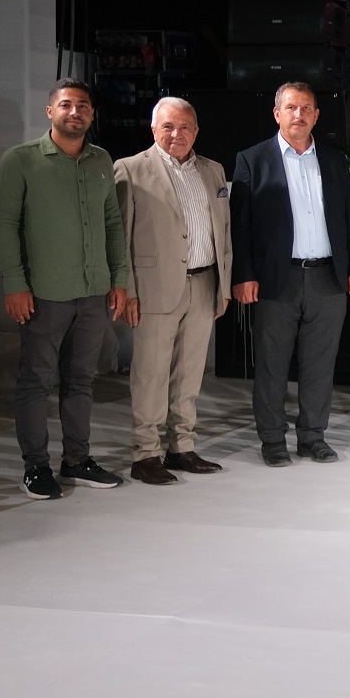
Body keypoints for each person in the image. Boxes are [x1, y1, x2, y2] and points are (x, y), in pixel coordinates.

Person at [0, 79, 132, 498]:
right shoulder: (20, 160)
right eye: (67, 104)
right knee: (36, 381)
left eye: (83, 105)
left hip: (93, 291)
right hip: (44, 292)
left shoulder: (101, 160)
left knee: (81, 380)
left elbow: (112, 223)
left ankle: (76, 460)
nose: (76, 112)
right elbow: (4, 226)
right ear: (50, 112)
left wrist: (119, 279)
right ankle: (36, 467)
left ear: (92, 114)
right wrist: (15, 284)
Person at [230, 82, 350, 466]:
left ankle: (313, 436)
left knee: (320, 365)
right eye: (291, 107)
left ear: (317, 115)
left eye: (306, 108)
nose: (299, 114)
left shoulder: (333, 160)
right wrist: (243, 274)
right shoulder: (253, 160)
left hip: (327, 278)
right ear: (277, 113)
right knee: (272, 365)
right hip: (276, 279)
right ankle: (273, 440)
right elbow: (239, 226)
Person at [113, 97, 232, 486]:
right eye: (167, 126)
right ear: (153, 129)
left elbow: (223, 231)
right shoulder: (130, 169)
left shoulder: (213, 170)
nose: (176, 134)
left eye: (184, 127)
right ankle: (145, 453)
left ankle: (181, 447)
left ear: (196, 131)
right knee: (150, 374)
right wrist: (128, 290)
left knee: (190, 372)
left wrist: (223, 285)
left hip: (204, 282)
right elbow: (119, 238)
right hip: (153, 289)